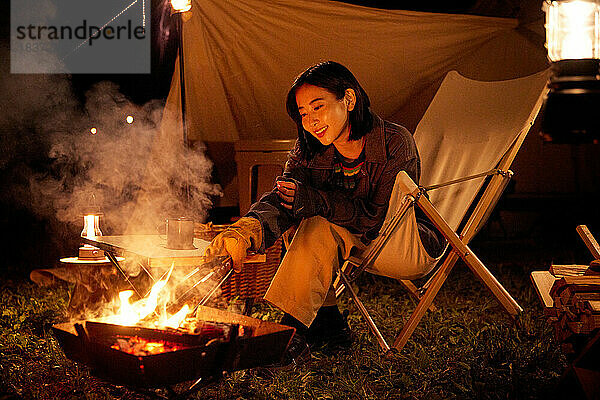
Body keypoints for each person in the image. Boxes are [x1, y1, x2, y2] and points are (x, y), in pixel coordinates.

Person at [205, 61, 445, 365]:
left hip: (403, 242)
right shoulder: (310, 147)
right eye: (303, 114)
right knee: (310, 220)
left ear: (348, 99)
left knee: (317, 220)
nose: (311, 121)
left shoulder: (394, 142)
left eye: (318, 107)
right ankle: (329, 327)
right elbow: (285, 197)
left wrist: (316, 201)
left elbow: (375, 219)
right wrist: (248, 228)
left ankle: (288, 335)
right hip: (353, 239)